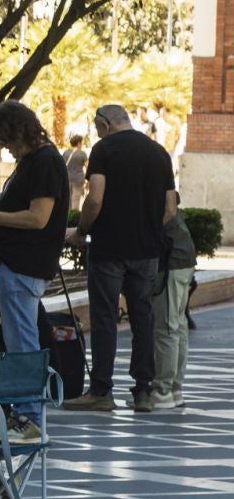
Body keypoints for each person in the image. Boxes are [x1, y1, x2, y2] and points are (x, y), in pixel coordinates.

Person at [0, 101, 67, 445]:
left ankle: (30, 420)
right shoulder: (35, 162)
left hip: (24, 267)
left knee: (23, 344)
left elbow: (39, 218)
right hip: (17, 267)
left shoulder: (44, 162)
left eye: (4, 140)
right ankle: (25, 416)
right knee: (20, 341)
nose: (4, 148)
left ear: (17, 132)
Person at [65, 103, 176, 413]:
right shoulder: (159, 153)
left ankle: (101, 390)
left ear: (105, 124)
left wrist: (81, 229)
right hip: (147, 252)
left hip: (109, 249)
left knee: (104, 318)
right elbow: (170, 210)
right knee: (143, 319)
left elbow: (95, 198)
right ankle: (143, 392)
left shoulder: (104, 149)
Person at [152, 196, 196, 410]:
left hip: (171, 259)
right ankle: (174, 388)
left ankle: (162, 391)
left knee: (167, 327)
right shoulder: (160, 167)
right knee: (177, 326)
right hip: (182, 256)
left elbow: (168, 208)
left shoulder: (154, 171)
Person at [63, 134, 87, 212]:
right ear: (79, 143)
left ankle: (67, 219)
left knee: (68, 201)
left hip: (67, 179)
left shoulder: (66, 152)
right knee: (75, 200)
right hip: (78, 180)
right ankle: (73, 219)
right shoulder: (82, 153)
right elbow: (87, 167)